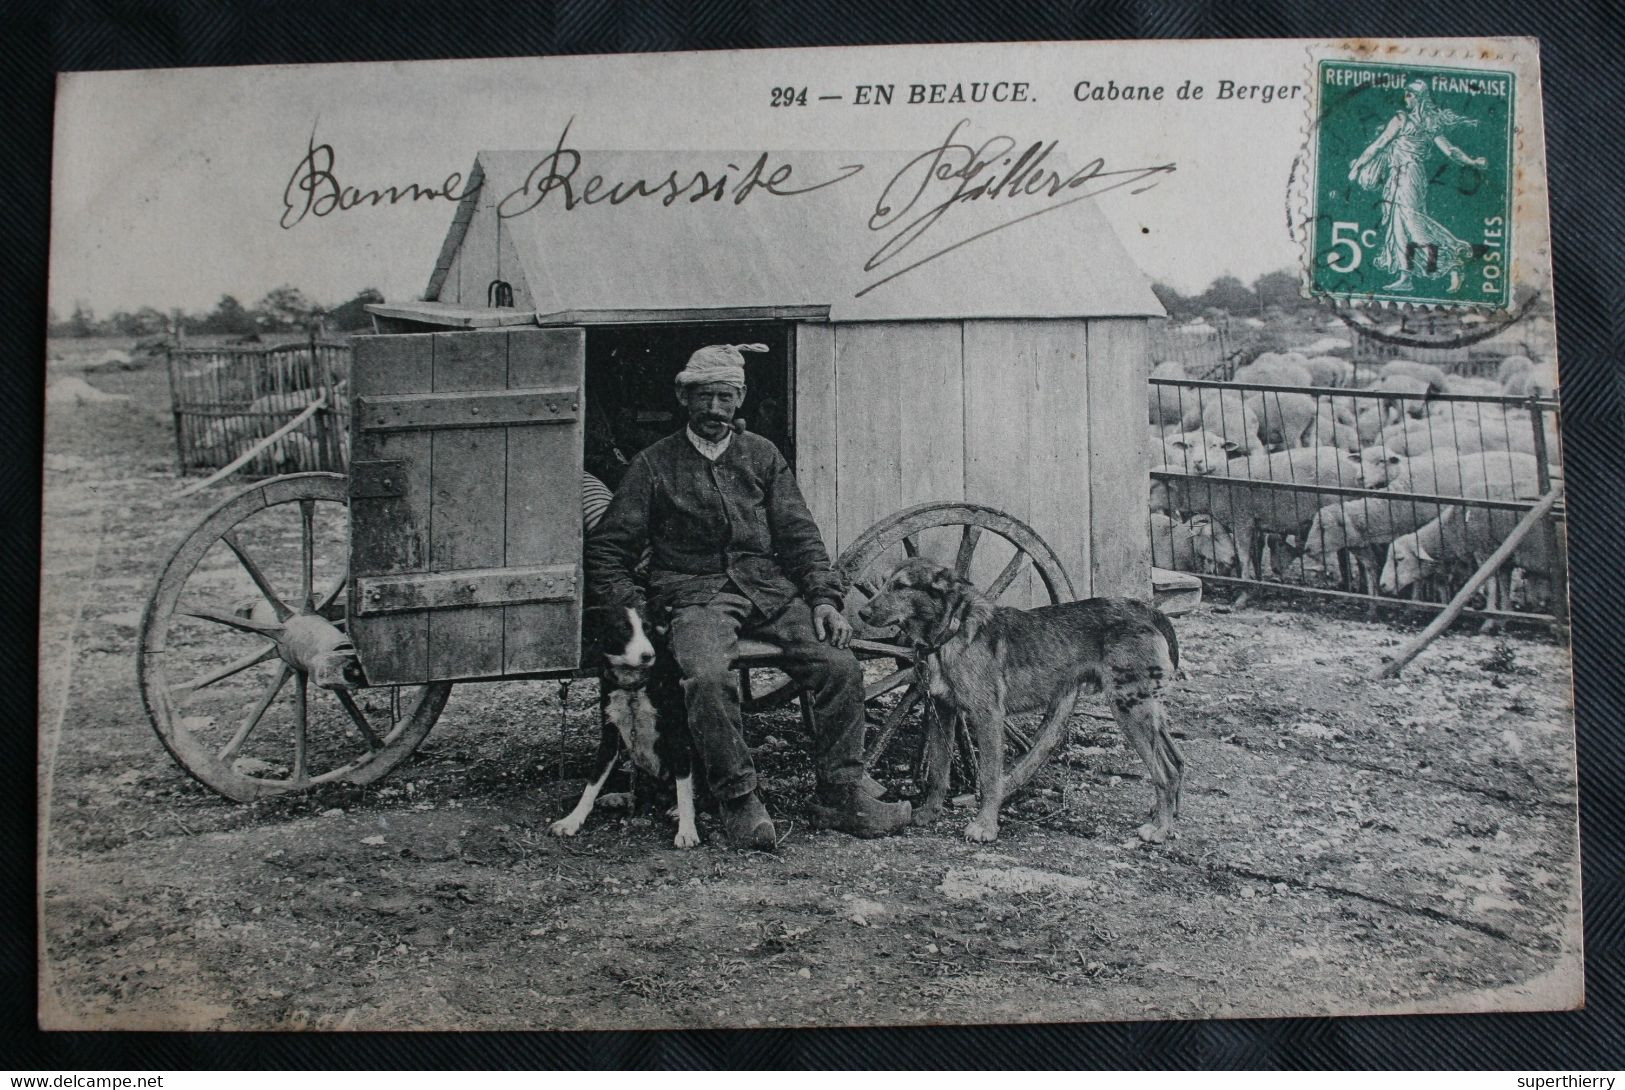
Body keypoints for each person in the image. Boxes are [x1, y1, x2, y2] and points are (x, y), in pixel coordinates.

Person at [585, 343, 911, 849]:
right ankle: (738, 799)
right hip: (694, 599)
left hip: (769, 592)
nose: (715, 409)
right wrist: (640, 611)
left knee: (838, 665)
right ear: (683, 397)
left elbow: (800, 535)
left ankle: (840, 793)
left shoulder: (762, 455)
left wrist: (823, 599)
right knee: (709, 678)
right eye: (705, 397)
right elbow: (608, 551)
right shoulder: (653, 465)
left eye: (725, 397)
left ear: (740, 398)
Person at [1348, 79, 1487, 294]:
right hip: (1400, 176)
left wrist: (1472, 162)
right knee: (1398, 227)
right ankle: (1406, 277)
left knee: (1413, 224)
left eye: (1410, 95)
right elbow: (1380, 144)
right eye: (1406, 95)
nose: (1406, 99)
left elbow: (1449, 150)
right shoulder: (1425, 122)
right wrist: (1472, 162)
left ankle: (1453, 262)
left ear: (1420, 98)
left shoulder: (1407, 120)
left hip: (1409, 176)